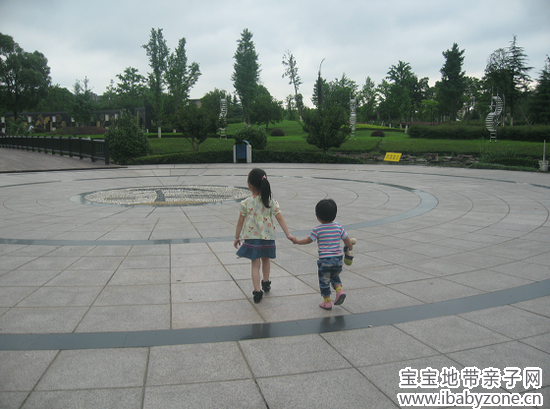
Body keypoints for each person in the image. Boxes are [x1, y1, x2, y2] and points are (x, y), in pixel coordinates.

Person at [234, 168, 294, 303]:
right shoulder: (270, 202)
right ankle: (266, 283)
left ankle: (257, 291)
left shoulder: (246, 203)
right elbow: (279, 218)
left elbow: (240, 222)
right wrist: (288, 234)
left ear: (249, 185)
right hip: (268, 237)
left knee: (255, 264)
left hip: (251, 237)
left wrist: (237, 237)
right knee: (266, 259)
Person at [291, 198, 353, 310]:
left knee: (324, 281)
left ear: (318, 217)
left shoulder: (317, 229)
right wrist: (350, 247)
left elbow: (308, 240)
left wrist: (297, 241)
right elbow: (347, 239)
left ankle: (327, 302)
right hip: (338, 259)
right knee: (335, 277)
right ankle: (339, 290)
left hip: (325, 260)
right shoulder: (339, 227)